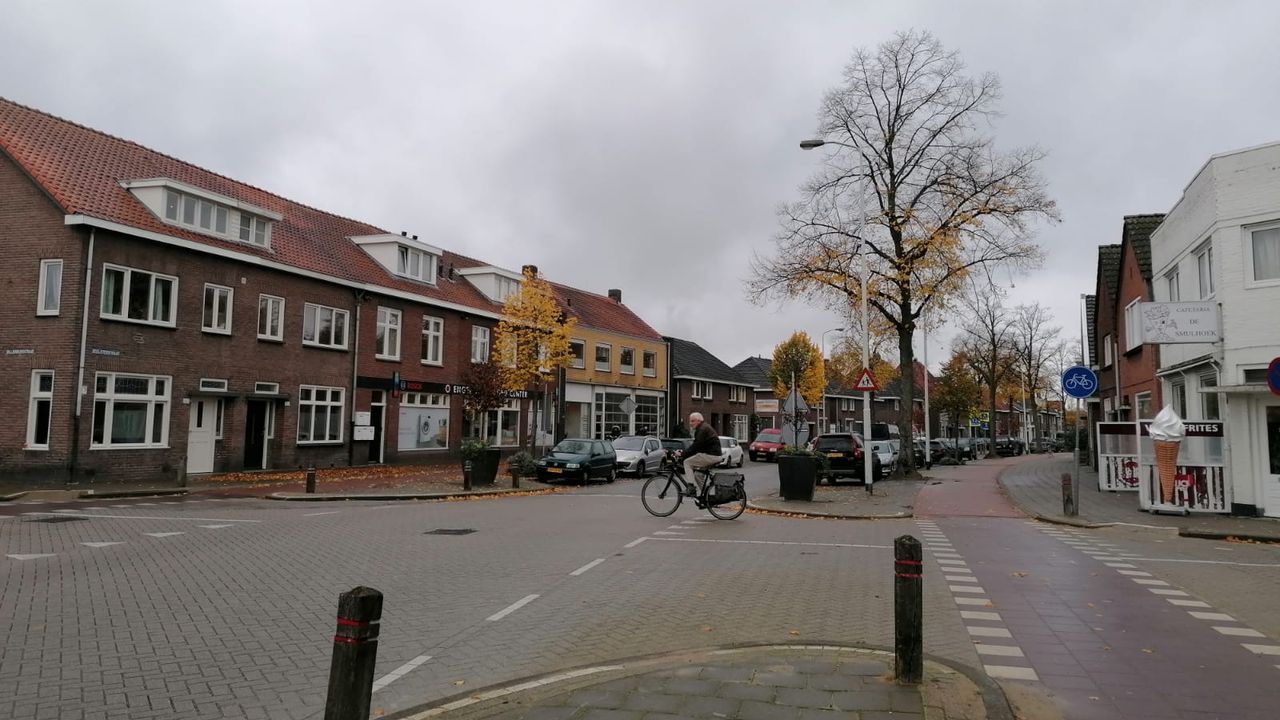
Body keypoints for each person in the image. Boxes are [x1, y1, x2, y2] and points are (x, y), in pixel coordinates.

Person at [680, 412, 722, 496]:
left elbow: (696, 445)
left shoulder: (702, 429)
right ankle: (707, 497)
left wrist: (682, 455)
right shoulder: (704, 427)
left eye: (692, 421)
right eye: (690, 421)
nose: (690, 424)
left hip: (711, 455)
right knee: (698, 475)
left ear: (699, 421)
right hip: (714, 455)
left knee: (687, 462)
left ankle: (691, 488)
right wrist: (685, 453)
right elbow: (698, 447)